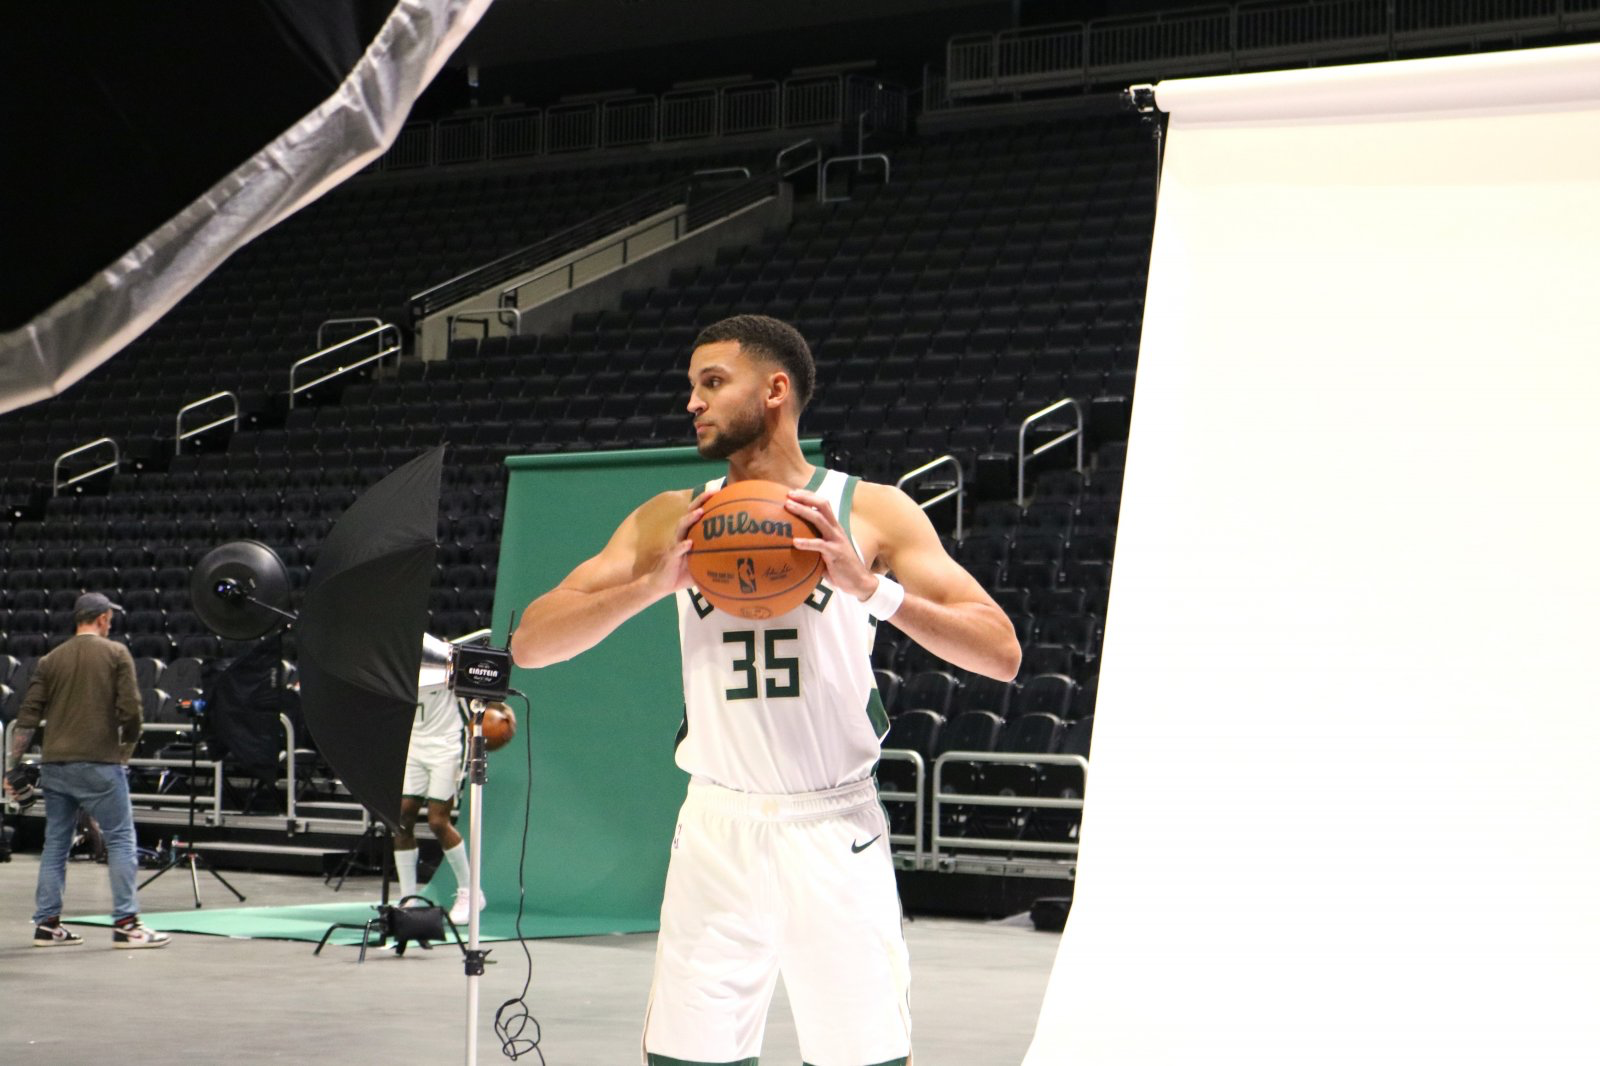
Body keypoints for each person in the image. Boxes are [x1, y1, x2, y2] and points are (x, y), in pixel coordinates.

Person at [510, 314, 1021, 1066]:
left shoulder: (870, 511)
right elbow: (531, 642)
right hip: (718, 824)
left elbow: (1001, 651)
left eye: (712, 383)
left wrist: (869, 587)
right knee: (689, 1061)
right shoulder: (670, 518)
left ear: (775, 389)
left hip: (833, 822)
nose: (693, 402)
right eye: (692, 387)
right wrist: (649, 588)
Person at [4, 593, 170, 948]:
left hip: (56, 766)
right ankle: (127, 924)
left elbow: (27, 716)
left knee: (56, 844)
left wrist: (12, 767)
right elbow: (132, 712)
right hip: (100, 764)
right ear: (103, 618)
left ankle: (47, 924)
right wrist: (125, 750)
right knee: (122, 838)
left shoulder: (51, 659)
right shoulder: (115, 654)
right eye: (110, 618)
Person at [393, 671, 480, 923]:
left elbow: (476, 692)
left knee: (438, 822)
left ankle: (470, 892)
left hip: (446, 745)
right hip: (412, 745)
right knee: (400, 820)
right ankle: (409, 898)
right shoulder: (397, 661)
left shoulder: (443, 660)